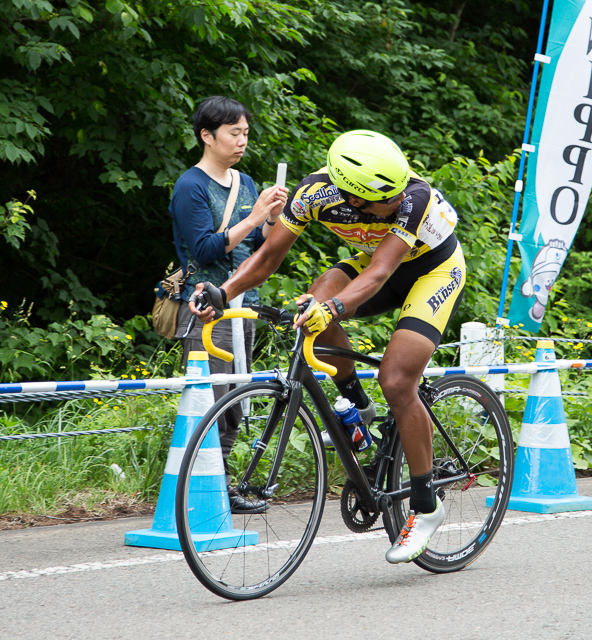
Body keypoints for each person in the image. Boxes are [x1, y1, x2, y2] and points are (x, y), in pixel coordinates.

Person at [188, 129, 466, 564]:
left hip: (432, 269)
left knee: (396, 380)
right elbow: (266, 258)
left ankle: (426, 506)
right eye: (382, 202)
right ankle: (358, 403)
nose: (392, 204)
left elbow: (377, 274)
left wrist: (332, 308)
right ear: (353, 198)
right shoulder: (314, 194)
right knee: (314, 298)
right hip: (376, 263)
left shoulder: (414, 196)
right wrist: (222, 293)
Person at [169, 96, 288, 513]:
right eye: (234, 133)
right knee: (212, 400)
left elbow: (259, 248)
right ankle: (198, 492)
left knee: (237, 402)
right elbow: (203, 251)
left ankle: (219, 488)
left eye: (246, 134)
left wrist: (272, 218)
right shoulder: (191, 186)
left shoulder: (247, 183)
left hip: (244, 306)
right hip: (206, 309)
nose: (241, 142)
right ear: (207, 135)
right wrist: (255, 217)